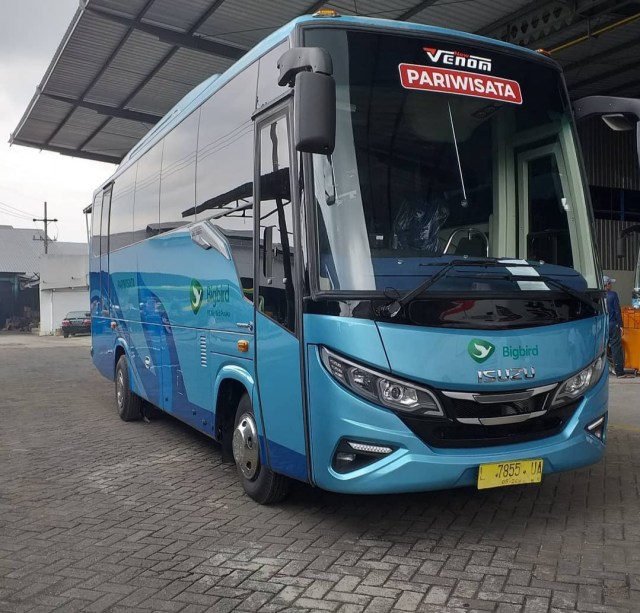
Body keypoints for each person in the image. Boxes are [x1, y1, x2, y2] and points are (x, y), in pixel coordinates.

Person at [604, 275, 628, 377]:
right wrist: (621, 325)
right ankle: (619, 372)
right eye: (610, 283)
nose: (611, 285)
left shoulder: (598, 296)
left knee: (602, 348)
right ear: (607, 285)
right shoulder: (613, 295)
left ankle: (604, 370)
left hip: (602, 325)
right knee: (616, 347)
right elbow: (617, 311)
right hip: (613, 324)